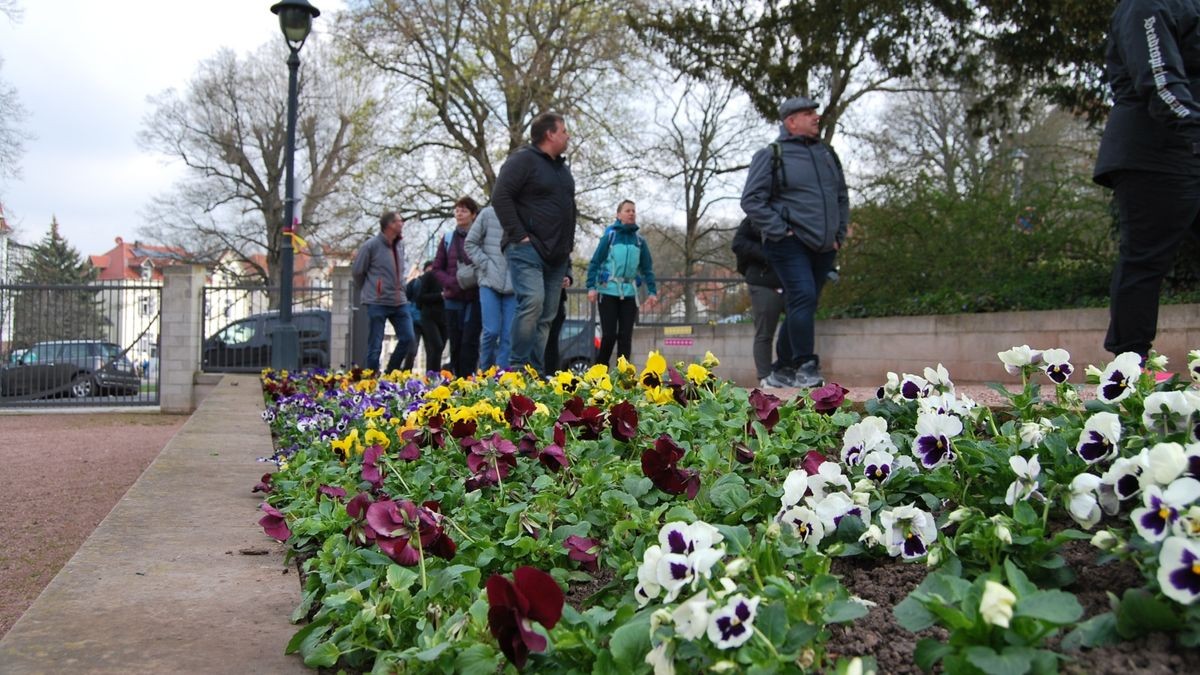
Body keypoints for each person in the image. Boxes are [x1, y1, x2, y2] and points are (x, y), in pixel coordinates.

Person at [1094, 0, 1200, 361]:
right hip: (1153, 153)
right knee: (1145, 261)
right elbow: (1159, 82)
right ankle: (1129, 369)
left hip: (1189, 149)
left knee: (1144, 261)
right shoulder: (1148, 5)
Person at [740, 95, 847, 389]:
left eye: (816, 112)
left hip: (824, 245)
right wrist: (780, 230)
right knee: (802, 296)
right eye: (808, 113)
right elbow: (751, 200)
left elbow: (840, 197)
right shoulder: (771, 154)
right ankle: (805, 363)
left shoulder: (827, 154)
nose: (816, 117)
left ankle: (782, 366)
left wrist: (839, 234)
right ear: (791, 121)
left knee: (805, 302)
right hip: (788, 242)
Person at [492, 111, 577, 374]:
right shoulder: (523, 161)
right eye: (564, 131)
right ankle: (517, 368)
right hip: (527, 248)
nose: (567, 136)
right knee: (532, 302)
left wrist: (567, 258)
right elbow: (500, 195)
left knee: (547, 316)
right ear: (550, 134)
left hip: (557, 255)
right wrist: (519, 235)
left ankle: (534, 371)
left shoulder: (562, 169)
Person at [586, 200, 657, 365]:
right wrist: (591, 287)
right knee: (609, 336)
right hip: (608, 292)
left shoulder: (639, 241)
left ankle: (623, 378)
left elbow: (647, 268)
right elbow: (595, 262)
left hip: (630, 294)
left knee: (625, 337)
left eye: (633, 210)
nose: (631, 213)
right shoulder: (610, 237)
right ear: (618, 215)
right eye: (627, 210)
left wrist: (652, 292)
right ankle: (599, 374)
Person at [731, 215, 794, 388]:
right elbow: (738, 244)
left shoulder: (797, 212)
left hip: (791, 281)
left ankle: (787, 369)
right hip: (763, 281)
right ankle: (765, 376)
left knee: (797, 326)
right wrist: (767, 254)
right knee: (765, 331)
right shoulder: (755, 217)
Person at [351, 211, 415, 375]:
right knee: (376, 344)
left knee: (408, 338)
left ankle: (390, 372)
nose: (402, 224)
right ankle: (371, 377)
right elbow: (358, 271)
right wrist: (371, 290)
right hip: (378, 301)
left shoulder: (400, 245)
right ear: (390, 225)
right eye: (400, 221)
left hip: (399, 300)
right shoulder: (371, 246)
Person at [433, 196, 483, 378]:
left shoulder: (480, 239)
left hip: (474, 297)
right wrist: (450, 282)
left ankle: (468, 376)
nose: (459, 214)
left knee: (470, 340)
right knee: (455, 341)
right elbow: (437, 268)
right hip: (453, 298)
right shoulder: (447, 239)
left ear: (473, 215)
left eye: (464, 210)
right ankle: (457, 377)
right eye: (457, 210)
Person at [466, 205, 517, 369]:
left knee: (508, 335)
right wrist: (485, 264)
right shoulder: (488, 214)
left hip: (513, 283)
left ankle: (501, 377)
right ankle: (485, 370)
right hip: (489, 281)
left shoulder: (524, 212)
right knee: (491, 331)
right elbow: (470, 243)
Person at [416, 260, 446, 373]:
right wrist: (440, 296)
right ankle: (432, 375)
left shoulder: (449, 277)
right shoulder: (429, 276)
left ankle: (432, 374)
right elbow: (420, 297)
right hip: (429, 316)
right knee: (436, 346)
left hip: (444, 317)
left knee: (439, 348)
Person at [544, 272, 573, 373]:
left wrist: (568, 277)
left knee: (552, 338)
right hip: (538, 294)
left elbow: (567, 262)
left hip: (557, 297)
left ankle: (550, 373)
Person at [402, 269, 423, 371]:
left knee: (412, 349)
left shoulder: (414, 283)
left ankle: (407, 370)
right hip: (417, 320)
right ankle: (407, 370)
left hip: (415, 319)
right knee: (412, 349)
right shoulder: (415, 283)